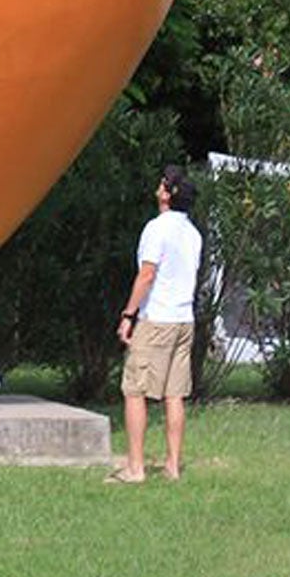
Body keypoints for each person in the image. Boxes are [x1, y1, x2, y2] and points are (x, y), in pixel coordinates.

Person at [108, 165, 202, 483]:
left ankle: (135, 469)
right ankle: (172, 466)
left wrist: (129, 315)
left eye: (163, 184)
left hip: (157, 319)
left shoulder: (157, 228)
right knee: (174, 394)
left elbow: (146, 274)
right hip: (184, 320)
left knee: (135, 390)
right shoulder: (193, 233)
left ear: (167, 194)